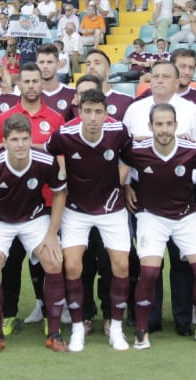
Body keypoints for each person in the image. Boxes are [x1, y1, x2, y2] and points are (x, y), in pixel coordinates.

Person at [122, 102, 196, 349]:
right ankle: (142, 331)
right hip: (151, 216)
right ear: (150, 126)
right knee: (149, 272)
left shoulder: (192, 149)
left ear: (176, 126)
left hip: (186, 216)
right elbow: (115, 159)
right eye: (159, 124)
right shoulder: (136, 150)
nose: (164, 129)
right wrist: (125, 186)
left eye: (169, 124)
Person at [0, 114, 69, 354]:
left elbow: (60, 194)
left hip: (33, 217)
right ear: (4, 141)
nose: (20, 144)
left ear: (31, 139)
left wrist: (52, 234)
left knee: (53, 261)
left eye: (25, 138)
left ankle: (54, 332)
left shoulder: (45, 161)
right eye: (15, 139)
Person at [46, 89, 133, 352]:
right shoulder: (64, 134)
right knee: (72, 267)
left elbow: (128, 159)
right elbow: (51, 153)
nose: (93, 117)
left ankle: (116, 328)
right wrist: (63, 175)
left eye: (98, 112)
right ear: (79, 112)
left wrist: (119, 185)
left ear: (106, 113)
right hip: (75, 209)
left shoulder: (118, 131)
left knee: (121, 265)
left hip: (111, 209)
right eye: (88, 111)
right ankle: (76, 329)